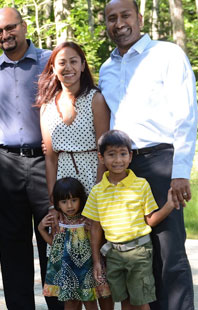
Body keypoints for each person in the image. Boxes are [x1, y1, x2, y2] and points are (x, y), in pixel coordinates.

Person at [98, 0, 197, 309]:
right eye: (111, 18)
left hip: (160, 163)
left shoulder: (167, 55)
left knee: (169, 251)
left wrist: (180, 171)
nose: (119, 23)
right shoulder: (107, 68)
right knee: (137, 254)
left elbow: (186, 115)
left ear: (139, 18)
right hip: (123, 168)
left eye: (125, 15)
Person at [0, 7, 62, 309]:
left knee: (53, 240)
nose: (5, 35)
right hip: (5, 164)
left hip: (45, 162)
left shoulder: (49, 62)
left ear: (24, 26)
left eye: (10, 28)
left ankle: (58, 304)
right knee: (12, 245)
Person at [82, 130, 178, 310]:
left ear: (130, 156)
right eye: (111, 154)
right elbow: (95, 227)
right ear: (101, 158)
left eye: (123, 153)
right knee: (123, 300)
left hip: (139, 252)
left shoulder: (140, 184)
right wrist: (96, 261)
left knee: (141, 301)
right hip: (113, 254)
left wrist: (169, 205)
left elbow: (149, 220)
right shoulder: (97, 191)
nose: (118, 160)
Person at [37, 41, 110, 195]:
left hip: (93, 177)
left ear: (82, 66)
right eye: (62, 63)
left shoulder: (95, 100)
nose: (68, 67)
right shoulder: (47, 107)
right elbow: (51, 159)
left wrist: (98, 194)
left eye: (73, 61)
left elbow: (103, 152)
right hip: (63, 185)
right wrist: (52, 201)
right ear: (54, 69)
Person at [38, 177, 110, 310]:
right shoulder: (58, 222)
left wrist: (91, 230)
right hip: (67, 271)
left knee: (90, 301)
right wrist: (41, 229)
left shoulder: (87, 220)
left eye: (74, 200)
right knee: (70, 303)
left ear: (81, 200)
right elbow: (55, 245)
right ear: (57, 203)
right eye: (64, 202)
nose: (69, 206)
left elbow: (98, 240)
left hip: (86, 271)